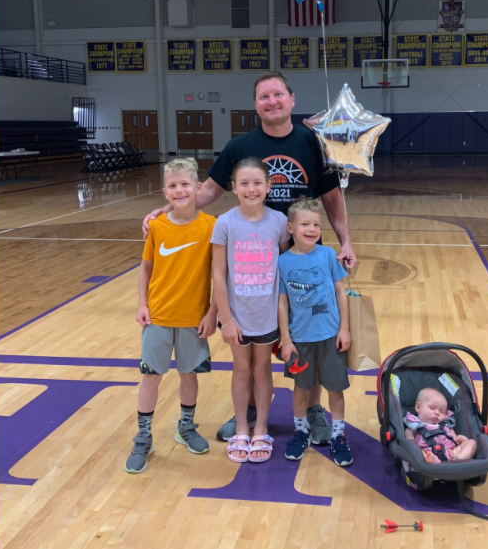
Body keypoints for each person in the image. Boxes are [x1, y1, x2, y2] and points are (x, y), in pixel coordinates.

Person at [142, 71, 357, 446]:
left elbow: (332, 199)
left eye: (277, 94)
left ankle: (313, 412)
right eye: (263, 97)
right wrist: (166, 209)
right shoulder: (241, 146)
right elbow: (206, 191)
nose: (271, 101)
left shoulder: (313, 142)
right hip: (252, 272)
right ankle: (252, 414)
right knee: (253, 358)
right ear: (255, 105)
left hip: (302, 264)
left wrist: (346, 242)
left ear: (291, 99)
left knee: (311, 344)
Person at [126, 158, 218, 474]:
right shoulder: (157, 226)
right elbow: (146, 268)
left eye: (185, 184)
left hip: (194, 318)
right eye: (173, 185)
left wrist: (212, 311)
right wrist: (142, 304)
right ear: (164, 191)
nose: (179, 190)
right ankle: (142, 438)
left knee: (189, 375)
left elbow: (220, 275)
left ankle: (186, 427)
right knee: (151, 376)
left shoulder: (212, 226)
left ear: (199, 187)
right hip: (158, 316)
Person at [211, 158, 291, 462]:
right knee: (241, 370)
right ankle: (241, 428)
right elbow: (219, 274)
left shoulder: (279, 222)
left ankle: (261, 428)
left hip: (268, 316)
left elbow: (286, 265)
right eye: (243, 183)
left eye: (257, 183)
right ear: (233, 188)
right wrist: (226, 319)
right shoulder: (225, 223)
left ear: (269, 186)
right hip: (238, 319)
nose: (251, 189)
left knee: (262, 370)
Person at [278, 197, 353, 467]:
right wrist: (286, 340)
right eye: (305, 224)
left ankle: (338, 436)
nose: (311, 229)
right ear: (290, 228)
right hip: (300, 340)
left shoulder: (327, 255)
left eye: (316, 225)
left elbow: (340, 293)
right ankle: (300, 432)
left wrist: (344, 328)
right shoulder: (283, 262)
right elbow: (282, 303)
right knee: (301, 387)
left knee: (335, 388)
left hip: (331, 336)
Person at [403, 387, 478, 464]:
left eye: (442, 411)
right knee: (416, 452)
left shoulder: (446, 424)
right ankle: (434, 462)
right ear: (418, 407)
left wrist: (461, 440)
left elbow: (455, 440)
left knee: (472, 442)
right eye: (432, 408)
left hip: (451, 453)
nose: (437, 413)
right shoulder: (413, 426)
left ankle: (458, 458)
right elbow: (410, 445)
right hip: (428, 454)